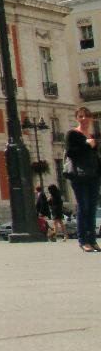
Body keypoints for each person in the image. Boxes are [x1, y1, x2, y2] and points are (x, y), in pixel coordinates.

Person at [64, 106, 100, 253]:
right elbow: (71, 152)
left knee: (91, 208)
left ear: (91, 118)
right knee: (83, 206)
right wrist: (86, 145)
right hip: (79, 176)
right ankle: (83, 240)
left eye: (86, 116)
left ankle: (92, 240)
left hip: (93, 175)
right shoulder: (72, 134)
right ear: (76, 118)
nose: (84, 118)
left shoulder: (91, 135)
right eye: (80, 116)